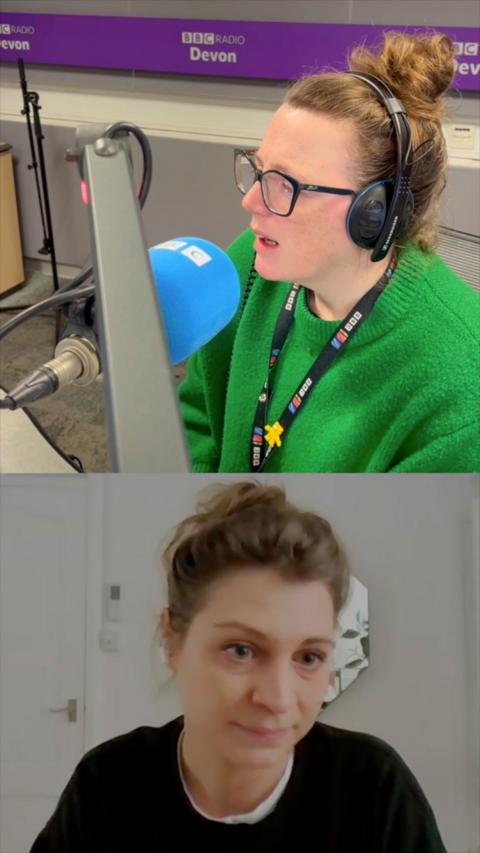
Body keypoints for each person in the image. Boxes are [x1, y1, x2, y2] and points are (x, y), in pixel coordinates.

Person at [30, 481, 446, 852]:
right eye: (241, 650)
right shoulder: (108, 785)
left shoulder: (373, 787)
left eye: (309, 657)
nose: (278, 699)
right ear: (172, 641)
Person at [179, 32, 479, 473]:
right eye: (259, 171)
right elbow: (197, 414)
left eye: (286, 184)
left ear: (374, 212)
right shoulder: (251, 263)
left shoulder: (459, 389)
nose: (252, 202)